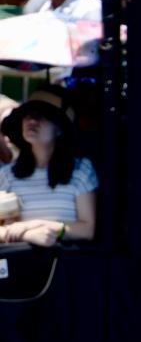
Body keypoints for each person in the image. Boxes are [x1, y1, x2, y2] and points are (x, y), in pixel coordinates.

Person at [0, 89, 98, 247]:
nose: (32, 120)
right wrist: (28, 235)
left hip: (67, 261)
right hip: (19, 261)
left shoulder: (81, 170)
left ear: (60, 129)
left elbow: (88, 230)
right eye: (28, 114)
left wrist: (37, 225)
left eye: (43, 115)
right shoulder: (7, 174)